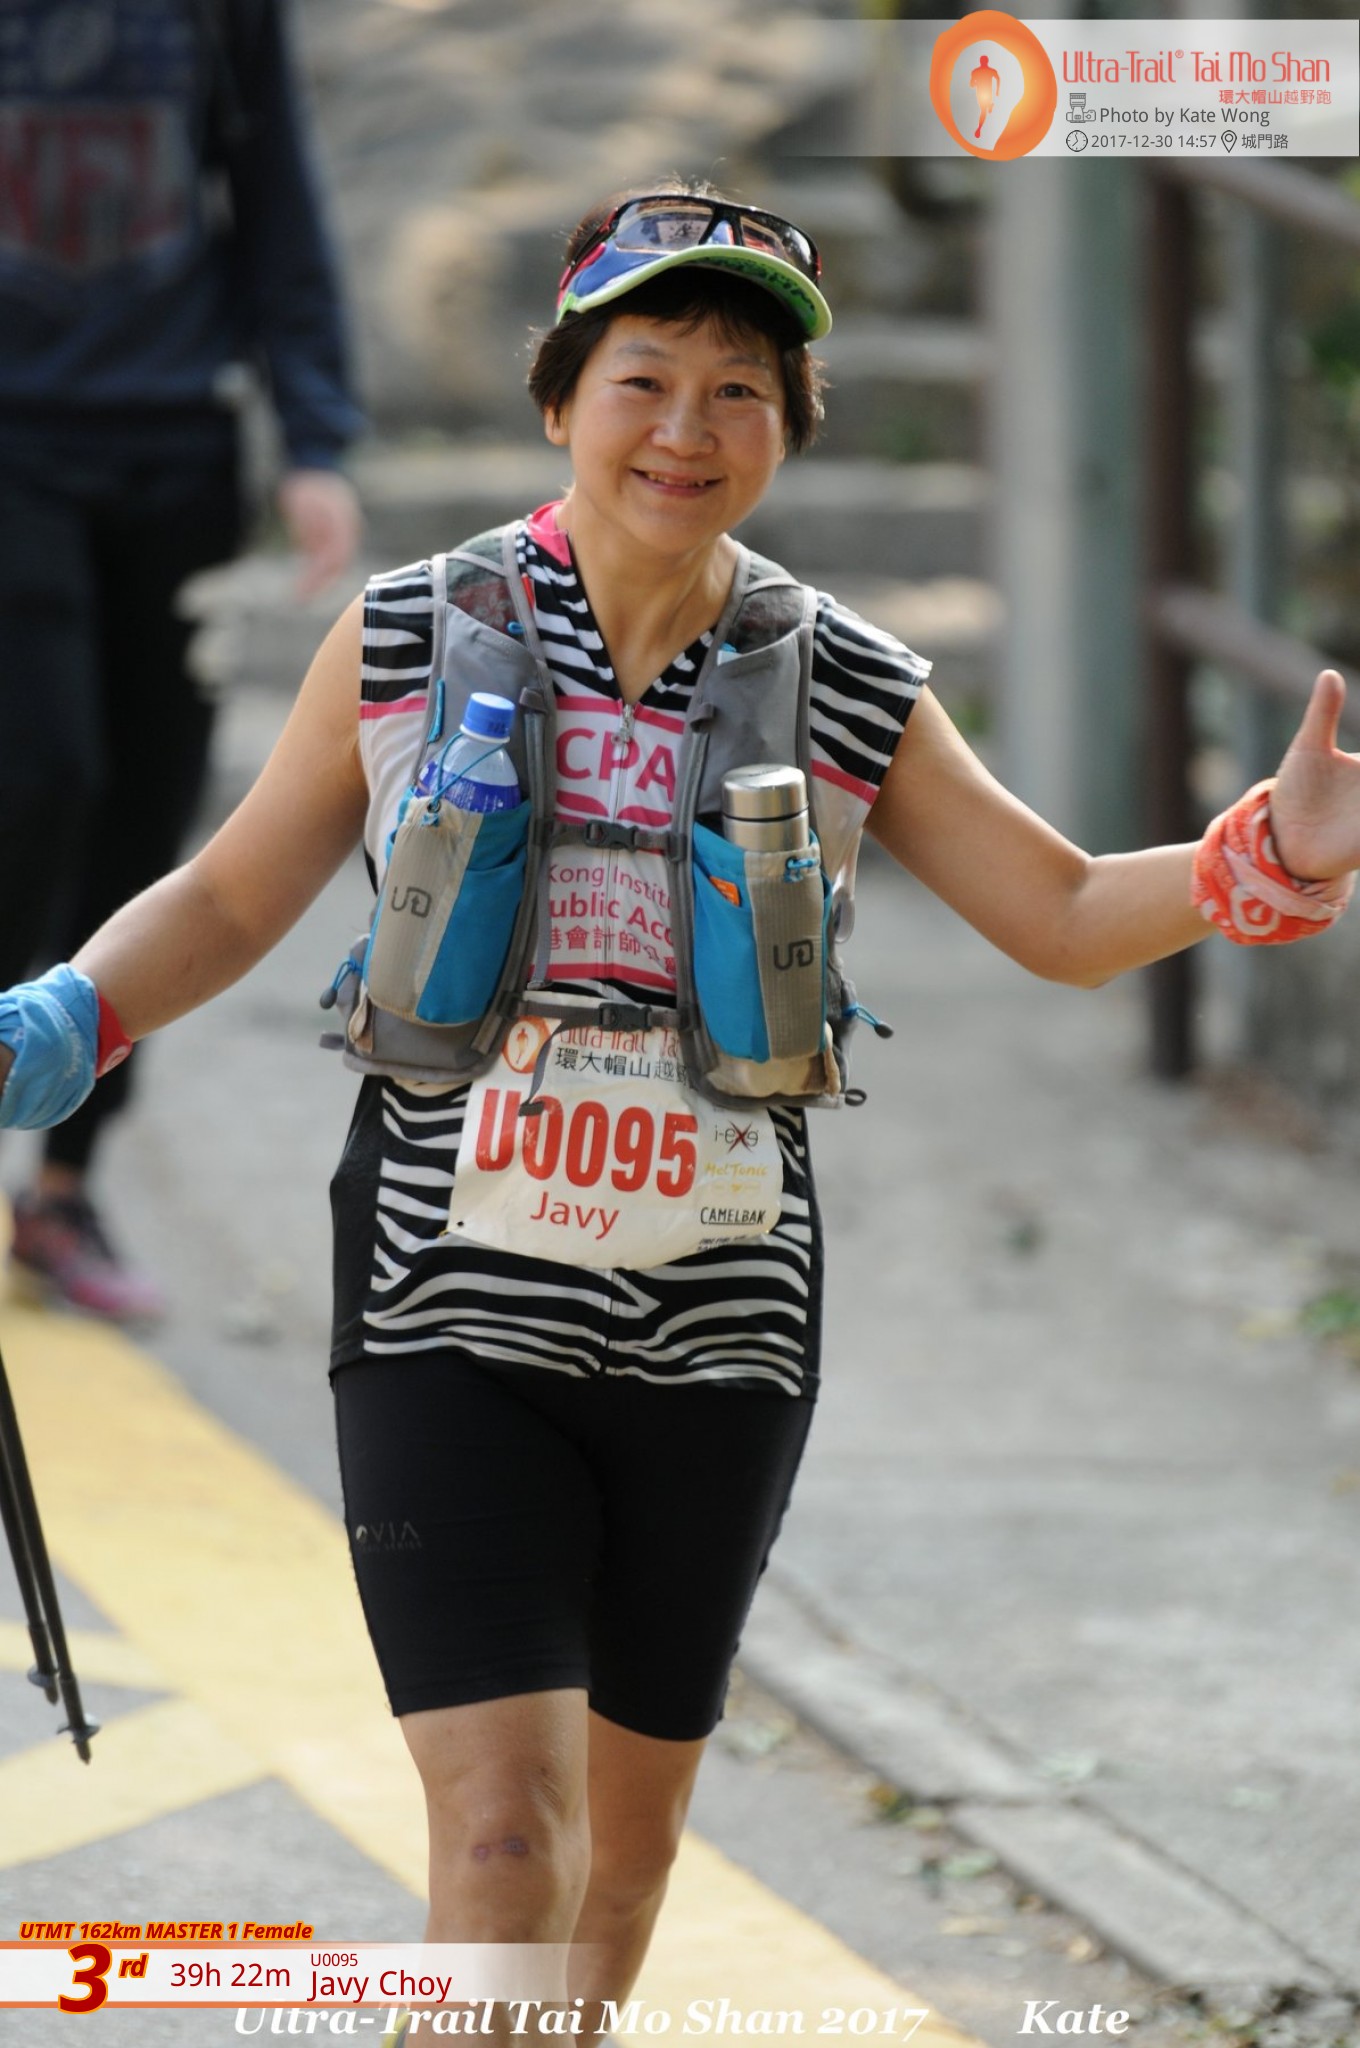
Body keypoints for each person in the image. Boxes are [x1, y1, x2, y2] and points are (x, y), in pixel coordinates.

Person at [2, 182, 1359, 2041]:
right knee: (502, 1847)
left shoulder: (847, 680)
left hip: (719, 1332)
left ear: (790, 429)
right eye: (644, 379)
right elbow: (236, 897)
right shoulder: (407, 634)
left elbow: (1053, 914)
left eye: (740, 391)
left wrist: (1262, 857)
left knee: (623, 1875)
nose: (687, 429)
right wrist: (64, 1017)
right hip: (445, 1303)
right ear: (563, 398)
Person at [0, 0, 364, 1320]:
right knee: (41, 773)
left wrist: (314, 436)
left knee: (148, 816)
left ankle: (64, 1186)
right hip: (12, 443)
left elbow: (274, 191)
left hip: (179, 444)